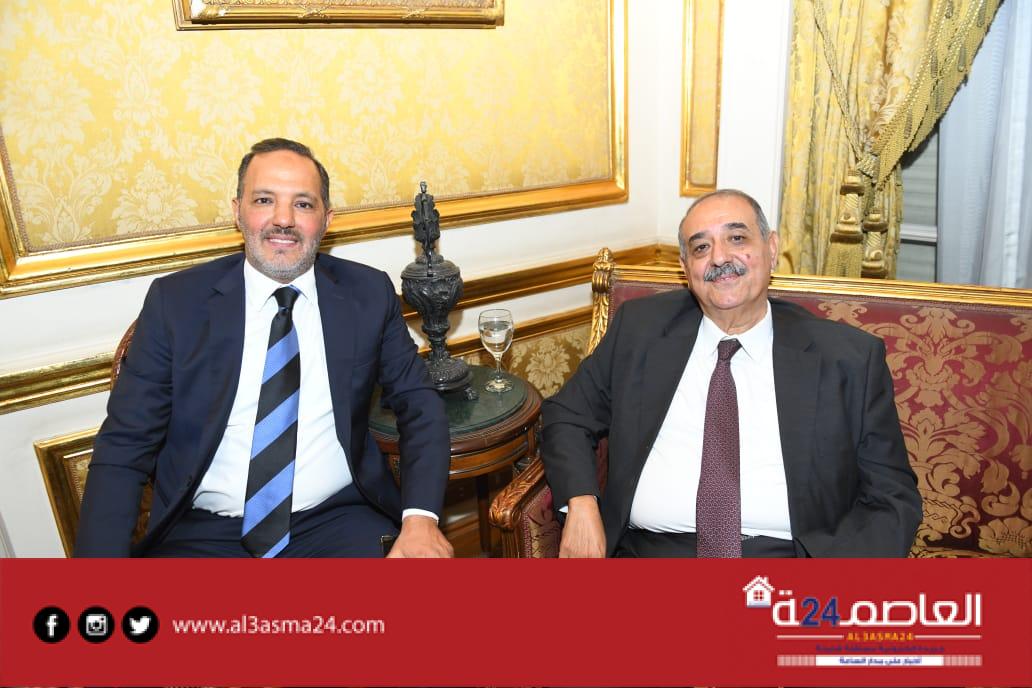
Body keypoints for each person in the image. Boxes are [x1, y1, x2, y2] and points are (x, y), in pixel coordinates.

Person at [75, 138, 453, 558]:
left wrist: (421, 519)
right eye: (264, 200)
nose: (283, 219)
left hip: (337, 521)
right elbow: (125, 445)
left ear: (327, 220)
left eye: (303, 204)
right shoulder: (176, 304)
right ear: (237, 211)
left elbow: (419, 403)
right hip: (203, 534)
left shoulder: (367, 293)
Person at [541, 189, 921, 558]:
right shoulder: (641, 331)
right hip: (650, 556)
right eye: (701, 247)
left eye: (737, 238)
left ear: (771, 249)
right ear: (685, 268)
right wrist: (581, 503)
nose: (719, 257)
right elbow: (567, 415)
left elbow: (892, 499)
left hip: (786, 563)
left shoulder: (847, 359)